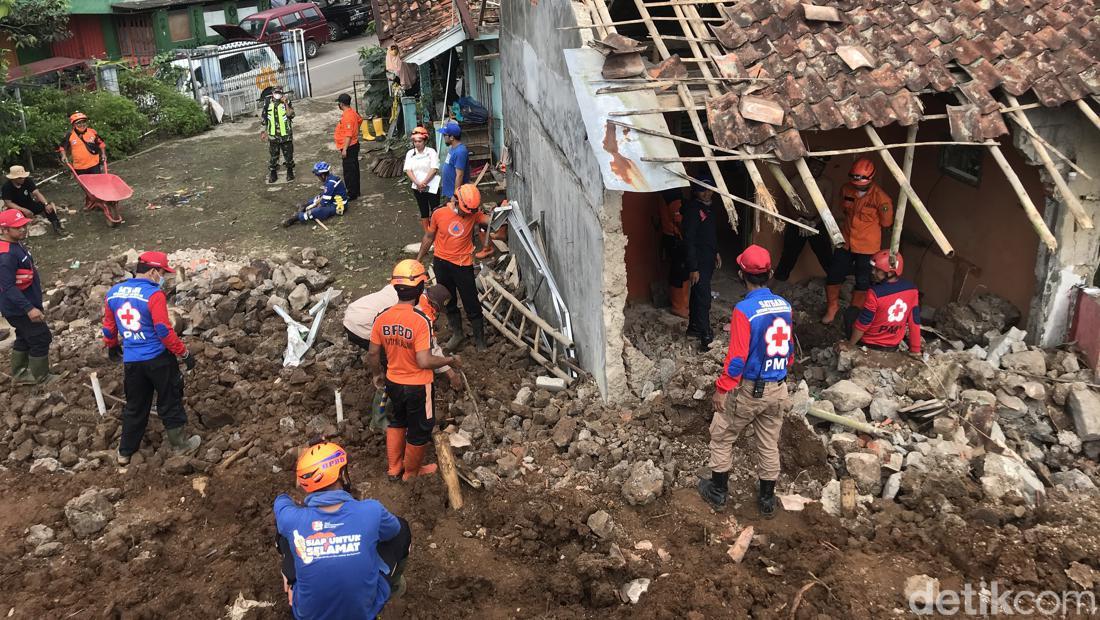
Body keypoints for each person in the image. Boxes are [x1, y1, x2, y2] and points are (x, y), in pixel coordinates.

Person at [698, 245, 792, 519]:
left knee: (721, 434)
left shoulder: (744, 310)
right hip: (778, 387)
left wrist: (723, 387)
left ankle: (717, 492)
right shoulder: (784, 306)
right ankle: (766, 501)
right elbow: (789, 350)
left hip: (751, 389)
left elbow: (737, 357)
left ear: (740, 274)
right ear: (771, 273)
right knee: (768, 442)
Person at [274, 439, 412, 619]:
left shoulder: (292, 518)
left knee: (286, 534)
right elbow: (393, 531)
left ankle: (292, 577)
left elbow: (281, 501)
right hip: (362, 612)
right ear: (342, 475)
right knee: (403, 529)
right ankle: (394, 586)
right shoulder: (371, 510)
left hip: (307, 614)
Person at [102, 251, 200, 465]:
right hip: (158, 359)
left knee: (135, 405)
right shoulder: (154, 295)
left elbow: (109, 329)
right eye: (163, 273)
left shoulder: (113, 292)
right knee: (169, 398)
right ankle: (180, 445)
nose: (164, 277)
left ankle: (125, 453)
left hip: (132, 361)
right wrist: (183, 353)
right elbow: (164, 332)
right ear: (154, 271)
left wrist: (112, 347)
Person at [368, 260, 459, 481]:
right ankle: (410, 472)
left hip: (393, 381)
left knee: (398, 420)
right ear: (420, 289)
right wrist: (450, 360)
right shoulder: (421, 321)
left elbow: (372, 353)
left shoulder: (382, 316)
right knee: (420, 429)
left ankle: (393, 468)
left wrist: (377, 374)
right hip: (418, 385)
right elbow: (425, 360)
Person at [343, 278, 463, 389]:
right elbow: (429, 349)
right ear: (434, 305)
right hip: (363, 326)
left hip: (351, 316)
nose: (436, 313)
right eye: (437, 310)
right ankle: (391, 389)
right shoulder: (420, 313)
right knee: (397, 357)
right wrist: (451, 374)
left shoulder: (406, 289)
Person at [415, 184, 490, 351]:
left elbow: (491, 221)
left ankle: (480, 340)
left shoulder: (473, 213)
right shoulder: (439, 213)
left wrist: (504, 212)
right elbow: (429, 236)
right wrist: (418, 259)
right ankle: (457, 333)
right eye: (465, 211)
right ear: (455, 201)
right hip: (442, 263)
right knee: (448, 300)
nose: (467, 215)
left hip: (463, 265)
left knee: (471, 302)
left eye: (471, 212)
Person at [822, 158, 894, 324]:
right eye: (854, 179)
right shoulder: (846, 189)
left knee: (863, 279)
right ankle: (832, 308)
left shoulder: (881, 199)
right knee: (834, 274)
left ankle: (854, 313)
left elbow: (886, 222)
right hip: (846, 241)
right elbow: (843, 208)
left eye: (861, 180)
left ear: (871, 179)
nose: (857, 184)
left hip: (868, 246)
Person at [0, 209, 52, 385]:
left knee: (24, 335)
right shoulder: (5, 256)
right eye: (17, 227)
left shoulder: (15, 244)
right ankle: (40, 377)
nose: (23, 229)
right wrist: (29, 308)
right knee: (41, 337)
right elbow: (7, 287)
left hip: (23, 303)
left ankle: (20, 372)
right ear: (4, 230)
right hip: (19, 308)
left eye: (23, 225)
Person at [842, 250, 921, 356]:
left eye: (877, 270)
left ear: (891, 272)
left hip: (870, 344)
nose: (873, 272)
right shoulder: (912, 289)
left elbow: (863, 323)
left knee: (851, 312)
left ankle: (855, 344)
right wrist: (915, 350)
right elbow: (914, 321)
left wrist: (850, 345)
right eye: (873, 268)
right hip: (893, 345)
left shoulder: (875, 293)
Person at [774, 156, 833, 281]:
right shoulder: (796, 180)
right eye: (814, 164)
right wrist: (798, 220)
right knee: (789, 255)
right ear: (807, 164)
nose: (816, 168)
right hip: (797, 221)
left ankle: (835, 283)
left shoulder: (826, 183)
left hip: (817, 222)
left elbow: (827, 208)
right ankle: (779, 282)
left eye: (821, 166)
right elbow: (788, 203)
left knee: (826, 255)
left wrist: (814, 222)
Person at [682, 176, 721, 350]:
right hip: (698, 261)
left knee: (698, 293)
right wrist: (693, 267)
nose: (707, 193)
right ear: (696, 191)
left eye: (709, 189)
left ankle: (694, 327)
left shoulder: (710, 209)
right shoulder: (692, 210)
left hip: (708, 258)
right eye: (703, 189)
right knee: (703, 297)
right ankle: (706, 337)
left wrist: (716, 252)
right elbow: (688, 240)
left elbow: (710, 234)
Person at [2, 165, 63, 235]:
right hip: (16, 209)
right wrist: (23, 210)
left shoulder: (27, 180)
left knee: (47, 206)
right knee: (12, 218)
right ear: (13, 178)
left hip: (29, 204)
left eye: (23, 177)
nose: (23, 179)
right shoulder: (7, 187)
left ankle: (57, 227)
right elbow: (8, 203)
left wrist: (46, 204)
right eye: (20, 178)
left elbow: (36, 193)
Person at [283, 162, 347, 227]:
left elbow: (323, 203)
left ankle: (295, 218)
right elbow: (324, 195)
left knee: (316, 212)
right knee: (318, 197)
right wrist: (314, 203)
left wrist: (313, 208)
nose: (318, 178)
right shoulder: (330, 179)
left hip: (338, 205)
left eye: (317, 176)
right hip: (333, 199)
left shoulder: (330, 183)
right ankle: (304, 206)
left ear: (322, 175)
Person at [659, 188, 689, 318]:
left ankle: (683, 304)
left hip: (669, 236)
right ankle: (679, 307)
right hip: (676, 238)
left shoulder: (664, 191)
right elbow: (679, 220)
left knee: (679, 271)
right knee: (680, 272)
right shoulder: (673, 195)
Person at [404, 126, 440, 231]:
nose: (417, 143)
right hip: (417, 187)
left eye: (419, 141)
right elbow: (408, 170)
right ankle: (427, 233)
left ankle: (436, 232)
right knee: (423, 210)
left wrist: (424, 182)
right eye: (415, 141)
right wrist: (418, 183)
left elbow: (434, 169)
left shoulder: (431, 152)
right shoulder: (410, 154)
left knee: (435, 209)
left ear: (425, 141)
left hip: (432, 186)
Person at [261, 86, 295, 184]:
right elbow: (265, 120)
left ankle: (290, 171)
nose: (278, 94)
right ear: (272, 93)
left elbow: (290, 115)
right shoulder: (267, 103)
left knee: (288, 155)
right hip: (273, 135)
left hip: (286, 135)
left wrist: (285, 103)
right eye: (276, 93)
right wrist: (264, 132)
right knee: (273, 156)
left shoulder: (286, 102)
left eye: (280, 93)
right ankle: (273, 173)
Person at [334, 93, 363, 201]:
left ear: (341, 104)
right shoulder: (352, 112)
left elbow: (348, 135)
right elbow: (360, 120)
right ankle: (356, 191)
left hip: (349, 147)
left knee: (349, 171)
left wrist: (345, 149)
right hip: (353, 144)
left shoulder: (348, 116)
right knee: (354, 169)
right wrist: (356, 131)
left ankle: (351, 193)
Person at [438, 121, 468, 204]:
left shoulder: (460, 151)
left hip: (454, 195)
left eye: (445, 135)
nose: (444, 137)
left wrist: (455, 195)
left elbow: (460, 175)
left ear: (451, 137)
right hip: (449, 192)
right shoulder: (453, 148)